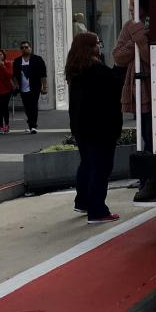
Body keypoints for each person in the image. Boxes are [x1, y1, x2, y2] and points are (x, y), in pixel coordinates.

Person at [66, 32, 123, 222]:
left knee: (87, 164)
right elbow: (116, 85)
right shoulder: (97, 70)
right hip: (101, 127)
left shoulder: (75, 68)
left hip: (81, 126)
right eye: (97, 43)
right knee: (101, 168)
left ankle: (82, 202)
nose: (100, 46)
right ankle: (97, 210)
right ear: (90, 47)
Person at [113, 0, 156, 203]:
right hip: (138, 87)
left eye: (134, 5)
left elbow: (152, 57)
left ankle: (154, 178)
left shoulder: (155, 25)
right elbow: (117, 56)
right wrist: (138, 41)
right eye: (130, 5)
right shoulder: (129, 27)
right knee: (144, 134)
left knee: (152, 136)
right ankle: (146, 179)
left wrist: (139, 40)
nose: (131, 9)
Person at [12, 41, 48, 134]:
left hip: (35, 87)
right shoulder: (17, 61)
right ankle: (30, 123)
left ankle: (33, 126)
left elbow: (43, 74)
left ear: (30, 48)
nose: (24, 49)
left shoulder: (37, 59)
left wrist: (45, 87)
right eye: (22, 48)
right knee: (27, 107)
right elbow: (14, 75)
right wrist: (16, 85)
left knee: (33, 105)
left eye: (26, 47)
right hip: (23, 88)